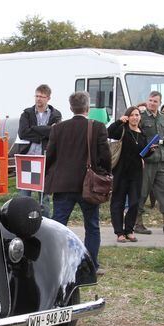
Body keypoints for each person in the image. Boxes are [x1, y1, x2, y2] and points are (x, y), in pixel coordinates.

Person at [45, 91, 111, 270]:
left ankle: (54, 263)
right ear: (88, 107)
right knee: (92, 225)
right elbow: (105, 155)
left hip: (62, 184)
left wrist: (49, 176)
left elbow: (49, 156)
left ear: (70, 107)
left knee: (58, 226)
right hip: (88, 185)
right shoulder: (97, 127)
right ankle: (90, 265)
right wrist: (105, 173)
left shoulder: (58, 129)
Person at [134, 91, 164, 234]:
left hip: (161, 160)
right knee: (142, 192)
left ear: (159, 103)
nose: (152, 103)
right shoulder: (140, 117)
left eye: (155, 101)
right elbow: (136, 136)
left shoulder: (162, 118)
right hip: (146, 161)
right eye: (150, 100)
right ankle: (137, 223)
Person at [16, 84, 62, 216]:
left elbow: (55, 133)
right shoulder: (27, 113)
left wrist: (35, 128)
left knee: (44, 197)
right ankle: (23, 221)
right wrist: (45, 131)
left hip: (46, 159)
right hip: (27, 158)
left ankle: (45, 223)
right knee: (24, 196)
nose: (38, 99)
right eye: (37, 96)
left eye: (42, 96)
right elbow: (23, 132)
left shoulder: (56, 114)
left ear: (48, 98)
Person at [108, 106, 145, 243]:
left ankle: (129, 230)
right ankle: (119, 232)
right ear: (128, 117)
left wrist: (151, 150)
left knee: (135, 202)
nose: (135, 117)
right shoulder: (122, 130)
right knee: (118, 201)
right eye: (133, 115)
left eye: (137, 115)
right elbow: (109, 132)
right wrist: (119, 121)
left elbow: (144, 152)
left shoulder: (142, 132)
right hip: (121, 171)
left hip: (136, 173)